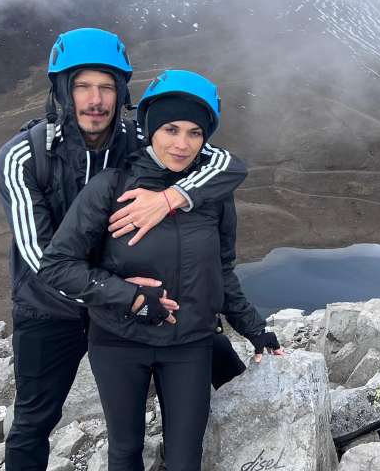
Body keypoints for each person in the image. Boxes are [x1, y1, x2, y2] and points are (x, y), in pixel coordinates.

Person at [0, 29, 248, 471]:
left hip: (133, 309)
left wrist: (172, 197)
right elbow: (40, 258)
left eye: (107, 87)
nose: (96, 99)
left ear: (122, 92)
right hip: (52, 309)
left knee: (214, 364)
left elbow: (227, 165)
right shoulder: (24, 155)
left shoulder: (137, 138)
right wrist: (117, 294)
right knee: (35, 420)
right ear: (61, 90)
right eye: (82, 86)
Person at [38, 69, 283, 471]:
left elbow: (220, 271)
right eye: (171, 129)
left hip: (189, 344)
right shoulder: (110, 187)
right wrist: (130, 297)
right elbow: (58, 266)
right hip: (118, 342)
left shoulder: (212, 196)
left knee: (186, 459)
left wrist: (255, 328)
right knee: (125, 452)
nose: (182, 144)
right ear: (150, 129)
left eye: (194, 133)